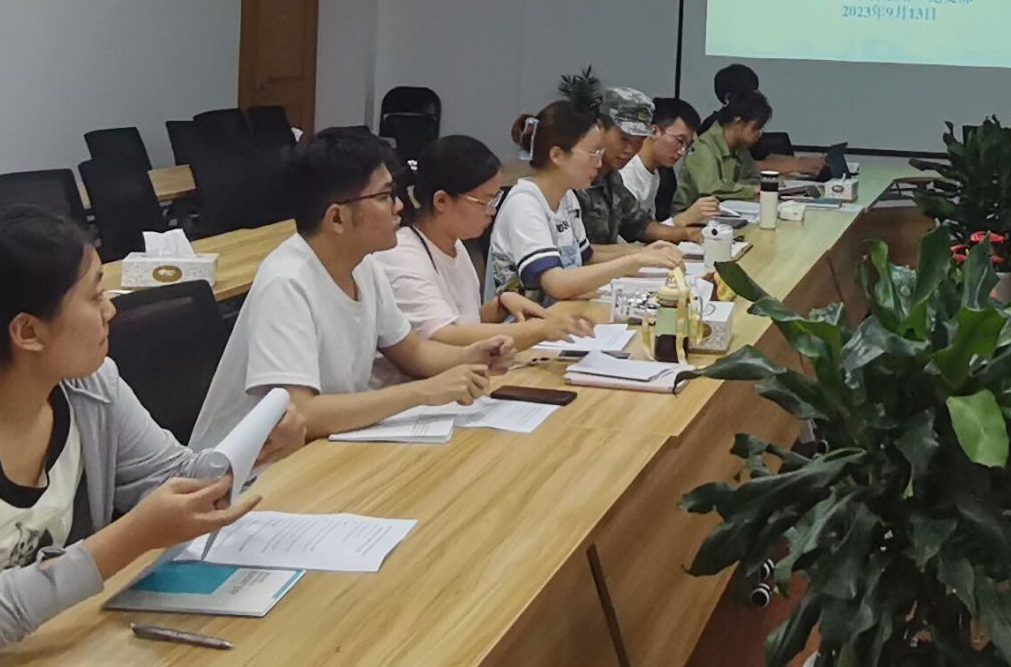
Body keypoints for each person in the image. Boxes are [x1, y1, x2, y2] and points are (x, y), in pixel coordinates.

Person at [0, 210, 304, 667]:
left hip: (23, 666)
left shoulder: (89, 387)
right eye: (95, 296)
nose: (111, 310)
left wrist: (251, 450)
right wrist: (128, 539)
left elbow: (174, 479)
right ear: (28, 331)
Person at [197, 127, 511, 445]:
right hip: (247, 466)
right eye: (384, 197)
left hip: (318, 448)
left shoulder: (364, 265)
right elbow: (301, 412)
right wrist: (423, 392)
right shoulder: (287, 282)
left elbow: (414, 352)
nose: (399, 206)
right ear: (337, 218)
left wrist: (470, 356)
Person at [367, 134, 593, 353]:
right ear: (442, 201)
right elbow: (443, 336)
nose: (491, 211)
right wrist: (540, 329)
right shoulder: (401, 256)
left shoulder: (455, 245)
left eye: (494, 200)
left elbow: (464, 322)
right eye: (484, 202)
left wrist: (500, 305)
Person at [491, 104, 684, 303]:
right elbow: (556, 284)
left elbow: (586, 256)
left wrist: (645, 252)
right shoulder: (525, 204)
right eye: (593, 154)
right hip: (529, 318)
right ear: (557, 155)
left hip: (564, 309)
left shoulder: (567, 197)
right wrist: (634, 261)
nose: (599, 164)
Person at [582, 88, 715, 248]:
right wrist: (640, 254)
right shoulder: (577, 178)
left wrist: (688, 234)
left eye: (638, 142)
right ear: (600, 128)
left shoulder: (612, 177)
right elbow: (582, 253)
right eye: (624, 139)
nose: (630, 150)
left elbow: (640, 225)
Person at [676, 89, 771, 209]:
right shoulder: (704, 146)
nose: (759, 134)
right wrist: (750, 190)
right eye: (756, 128)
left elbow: (754, 178)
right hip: (690, 215)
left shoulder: (740, 147)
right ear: (739, 122)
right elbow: (711, 188)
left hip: (726, 210)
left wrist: (741, 188)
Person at [624, 97, 709, 225]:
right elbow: (634, 234)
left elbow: (650, 226)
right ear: (654, 131)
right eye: (680, 141)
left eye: (687, 145)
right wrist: (684, 218)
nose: (682, 152)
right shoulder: (626, 173)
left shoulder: (656, 173)